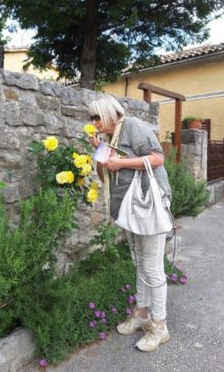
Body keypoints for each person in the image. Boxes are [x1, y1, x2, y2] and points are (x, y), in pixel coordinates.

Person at [88, 94, 172, 352]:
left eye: (96, 116)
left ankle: (160, 327)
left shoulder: (133, 125)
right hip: (131, 207)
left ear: (110, 114)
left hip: (148, 204)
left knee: (152, 266)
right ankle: (142, 313)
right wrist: (98, 149)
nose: (93, 121)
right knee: (139, 262)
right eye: (91, 117)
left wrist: (120, 161)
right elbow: (111, 167)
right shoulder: (111, 137)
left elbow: (157, 157)